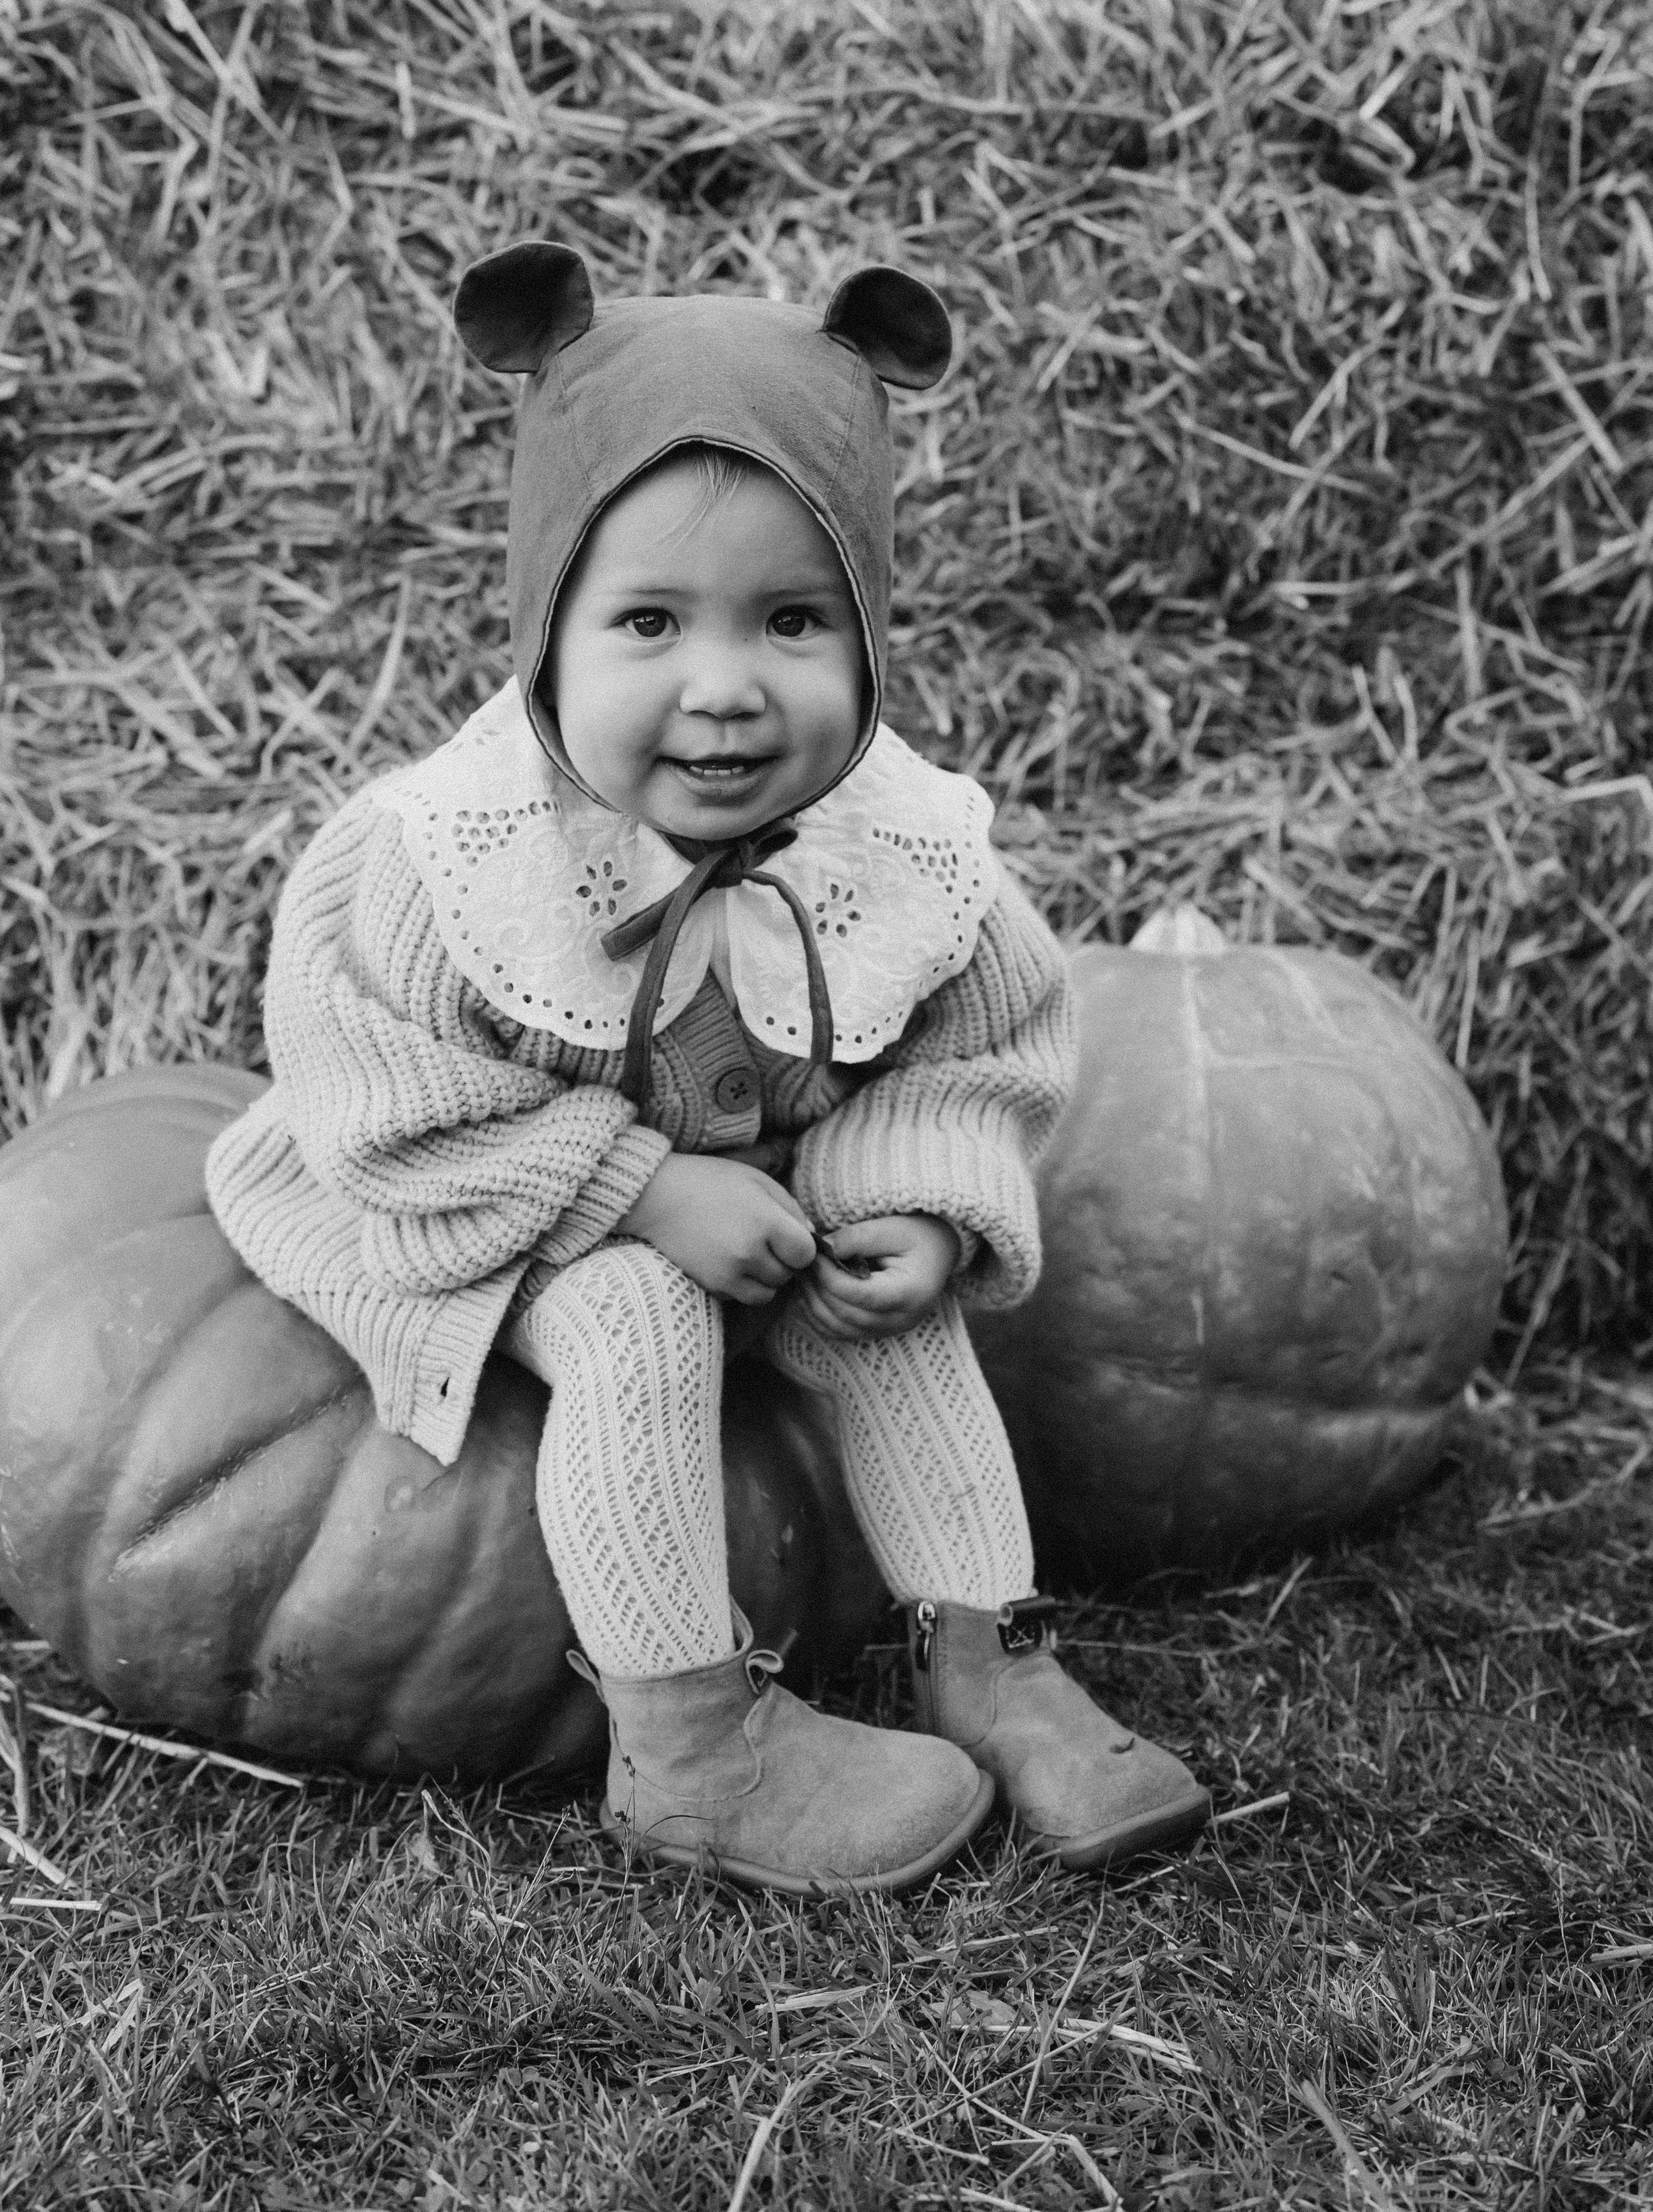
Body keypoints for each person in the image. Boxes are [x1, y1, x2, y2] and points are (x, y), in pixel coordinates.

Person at [206, 240, 1211, 1892]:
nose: (725, 689)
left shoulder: (903, 844)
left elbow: (977, 1052)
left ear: (868, 634)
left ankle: (992, 1659)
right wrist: (638, 1186)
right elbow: (381, 1117)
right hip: (446, 1212)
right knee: (635, 1314)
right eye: (651, 621)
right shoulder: (436, 862)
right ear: (547, 626)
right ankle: (687, 1747)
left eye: (794, 620)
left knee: (880, 1307)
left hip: (737, 1204)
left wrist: (923, 1208)